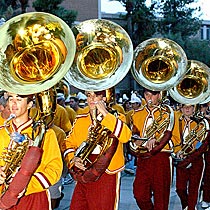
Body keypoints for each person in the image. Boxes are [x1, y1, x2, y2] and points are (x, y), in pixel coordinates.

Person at [62, 90, 132, 210]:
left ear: (104, 98)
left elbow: (126, 137)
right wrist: (74, 158)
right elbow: (68, 143)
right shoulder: (80, 119)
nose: (91, 99)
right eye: (89, 95)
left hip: (107, 172)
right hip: (83, 170)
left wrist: (104, 113)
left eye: (96, 95)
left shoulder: (117, 117)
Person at [0, 92, 63, 209]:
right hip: (3, 197)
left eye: (19, 99)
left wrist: (27, 186)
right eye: (10, 99)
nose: (13, 103)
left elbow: (54, 168)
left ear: (29, 104)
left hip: (33, 197)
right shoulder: (2, 132)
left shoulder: (45, 134)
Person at [131, 88, 176, 210]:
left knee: (161, 197)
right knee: (139, 194)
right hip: (143, 158)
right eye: (147, 94)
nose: (149, 98)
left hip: (161, 157)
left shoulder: (168, 113)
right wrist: (137, 140)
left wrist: (156, 140)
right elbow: (133, 134)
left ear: (160, 95)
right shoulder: (137, 113)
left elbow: (170, 134)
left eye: (153, 95)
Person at [172, 104, 209, 210]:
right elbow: (173, 138)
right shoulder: (176, 121)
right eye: (185, 107)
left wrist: (190, 158)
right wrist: (177, 151)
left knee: (194, 189)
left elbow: (203, 144)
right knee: (180, 188)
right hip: (181, 158)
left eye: (190, 106)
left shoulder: (202, 123)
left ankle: (191, 207)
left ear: (194, 108)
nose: (187, 109)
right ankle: (186, 205)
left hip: (196, 159)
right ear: (181, 108)